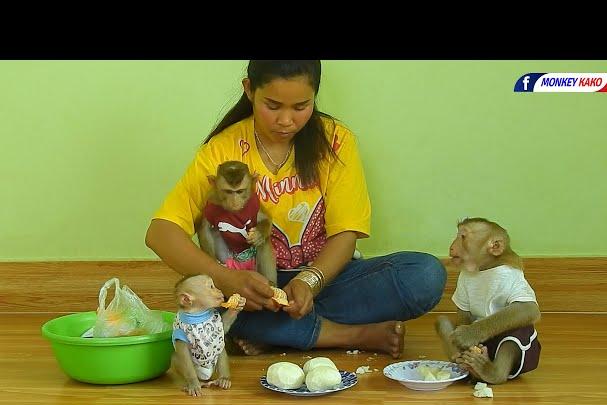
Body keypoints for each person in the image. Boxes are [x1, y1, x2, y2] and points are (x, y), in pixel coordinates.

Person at [145, 60, 447, 358]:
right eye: (273, 106)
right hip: (251, 289)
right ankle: (350, 335)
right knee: (222, 308)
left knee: (425, 275)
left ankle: (278, 334)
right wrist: (228, 280)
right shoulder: (221, 150)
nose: (286, 120)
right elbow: (160, 233)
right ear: (249, 90)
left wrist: (309, 281)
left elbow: (346, 234)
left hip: (326, 279)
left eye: (301, 107)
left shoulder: (336, 141)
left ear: (315, 95)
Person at [435, 218, 541, 384]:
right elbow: (464, 315)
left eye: (463, 237)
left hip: (508, 348)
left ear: (495, 246)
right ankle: (464, 363)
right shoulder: (467, 276)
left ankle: (496, 372)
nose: (453, 246)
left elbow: (530, 311)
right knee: (442, 322)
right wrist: (469, 348)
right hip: (480, 341)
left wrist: (476, 332)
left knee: (518, 331)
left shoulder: (508, 274)